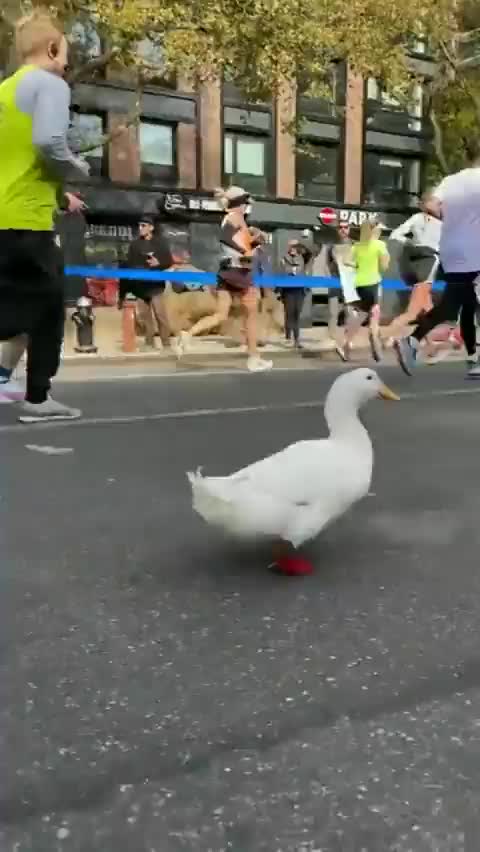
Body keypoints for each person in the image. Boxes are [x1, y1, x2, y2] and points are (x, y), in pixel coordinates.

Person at [0, 12, 90, 422]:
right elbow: (49, 143)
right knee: (48, 307)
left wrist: (58, 193)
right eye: (66, 56)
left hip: (6, 213)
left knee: (18, 304)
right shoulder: (50, 84)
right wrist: (76, 168)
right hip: (26, 220)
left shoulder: (6, 90)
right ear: (53, 49)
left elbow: (19, 159)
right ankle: (38, 400)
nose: (67, 65)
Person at [394, 143, 480, 377]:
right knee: (463, 304)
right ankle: (413, 341)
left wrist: (452, 219)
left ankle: (472, 360)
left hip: (451, 250)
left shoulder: (451, 180)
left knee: (457, 305)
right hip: (474, 251)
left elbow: (430, 203)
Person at [174, 186, 273, 372]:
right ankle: (254, 358)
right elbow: (225, 237)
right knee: (251, 312)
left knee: (221, 314)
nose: (247, 207)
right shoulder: (235, 217)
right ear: (239, 203)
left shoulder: (234, 218)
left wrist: (256, 241)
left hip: (227, 270)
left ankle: (187, 335)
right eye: (245, 203)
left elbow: (239, 243)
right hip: (239, 271)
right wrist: (245, 251)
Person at [383, 193, 458, 363]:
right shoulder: (444, 225)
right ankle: (384, 337)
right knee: (412, 312)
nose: (441, 207)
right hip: (429, 263)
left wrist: (411, 244)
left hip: (413, 264)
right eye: (439, 204)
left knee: (427, 310)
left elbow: (396, 235)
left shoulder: (417, 218)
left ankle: (430, 346)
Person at [335, 222, 390, 362]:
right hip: (374, 284)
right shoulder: (379, 245)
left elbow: (346, 261)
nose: (380, 233)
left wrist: (358, 264)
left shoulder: (357, 246)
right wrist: (380, 263)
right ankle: (376, 348)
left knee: (362, 314)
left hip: (359, 284)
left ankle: (345, 344)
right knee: (374, 316)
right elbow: (384, 267)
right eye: (379, 230)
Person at [120, 215, 173, 349]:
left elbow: (168, 261)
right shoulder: (134, 244)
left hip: (155, 286)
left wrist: (158, 263)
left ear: (151, 228)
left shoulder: (160, 243)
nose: (140, 228)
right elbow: (130, 264)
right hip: (140, 286)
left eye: (143, 226)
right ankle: (149, 342)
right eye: (139, 225)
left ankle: (166, 342)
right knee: (145, 317)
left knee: (160, 315)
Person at [279, 240, 312, 349]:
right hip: (288, 290)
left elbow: (310, 253)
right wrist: (293, 270)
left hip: (299, 290)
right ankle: (288, 338)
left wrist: (300, 244)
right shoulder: (284, 258)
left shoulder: (302, 257)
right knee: (289, 314)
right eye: (291, 247)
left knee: (297, 314)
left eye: (295, 247)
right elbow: (284, 271)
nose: (292, 249)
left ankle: (297, 340)